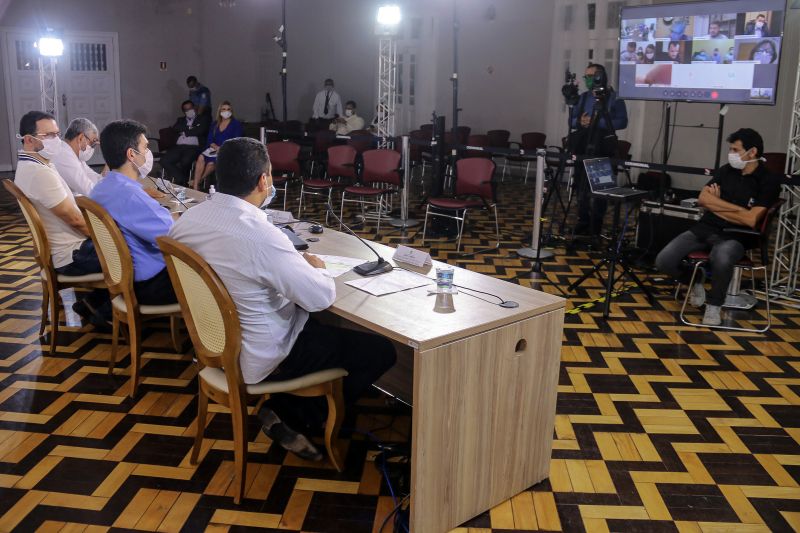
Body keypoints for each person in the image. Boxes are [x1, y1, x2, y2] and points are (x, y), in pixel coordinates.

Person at [169, 137, 396, 461]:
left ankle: (287, 409)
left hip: (213, 344)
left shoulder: (189, 221)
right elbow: (319, 297)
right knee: (379, 350)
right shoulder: (259, 235)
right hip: (263, 351)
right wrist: (312, 267)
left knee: (319, 329)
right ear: (264, 180)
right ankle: (298, 415)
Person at [655, 129, 781, 326]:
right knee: (663, 260)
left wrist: (717, 203)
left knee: (721, 257)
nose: (731, 154)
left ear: (753, 152)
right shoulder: (725, 170)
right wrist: (731, 208)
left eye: (735, 149)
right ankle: (696, 281)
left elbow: (750, 220)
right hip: (707, 227)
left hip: (737, 235)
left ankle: (714, 305)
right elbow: (703, 199)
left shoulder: (768, 180)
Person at [14, 111, 105, 324]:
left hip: (68, 248)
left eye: (57, 134)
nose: (57, 140)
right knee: (132, 252)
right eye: (49, 136)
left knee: (128, 245)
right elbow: (75, 220)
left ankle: (94, 303)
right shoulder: (39, 172)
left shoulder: (40, 163)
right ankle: (106, 311)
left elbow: (70, 202)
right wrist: (109, 239)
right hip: (70, 255)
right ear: (29, 139)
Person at [90, 120, 177, 305]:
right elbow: (174, 237)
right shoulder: (130, 195)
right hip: (151, 283)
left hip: (123, 276)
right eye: (145, 148)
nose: (148, 153)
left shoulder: (101, 188)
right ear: (131, 154)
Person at [568, 64, 628, 236]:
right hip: (583, 148)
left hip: (602, 149)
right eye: (585, 75)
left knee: (601, 190)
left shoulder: (614, 98)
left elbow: (622, 122)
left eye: (591, 75)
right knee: (581, 190)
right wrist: (581, 122)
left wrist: (597, 122)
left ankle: (596, 226)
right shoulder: (583, 97)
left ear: (600, 77)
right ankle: (583, 222)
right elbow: (571, 121)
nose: (588, 79)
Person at [191, 101, 243, 190]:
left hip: (227, 150)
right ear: (220, 111)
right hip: (214, 148)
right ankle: (195, 186)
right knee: (200, 157)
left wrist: (222, 148)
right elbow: (209, 139)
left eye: (228, 109)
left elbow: (236, 140)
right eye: (224, 109)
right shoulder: (215, 124)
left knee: (211, 163)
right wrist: (215, 147)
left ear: (231, 111)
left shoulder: (236, 124)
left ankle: (198, 181)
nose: (226, 111)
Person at [160, 100, 211, 185]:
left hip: (193, 147)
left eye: (190, 108)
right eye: (186, 110)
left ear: (194, 108)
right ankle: (182, 179)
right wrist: (191, 128)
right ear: (184, 112)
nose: (189, 111)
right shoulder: (180, 120)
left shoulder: (202, 119)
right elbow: (175, 128)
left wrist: (184, 131)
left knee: (185, 161)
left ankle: (180, 180)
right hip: (178, 147)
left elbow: (200, 131)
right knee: (164, 160)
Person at [50, 118, 103, 196]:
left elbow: (96, 179)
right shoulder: (64, 156)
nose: (92, 148)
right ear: (81, 138)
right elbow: (90, 191)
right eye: (93, 144)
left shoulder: (75, 156)